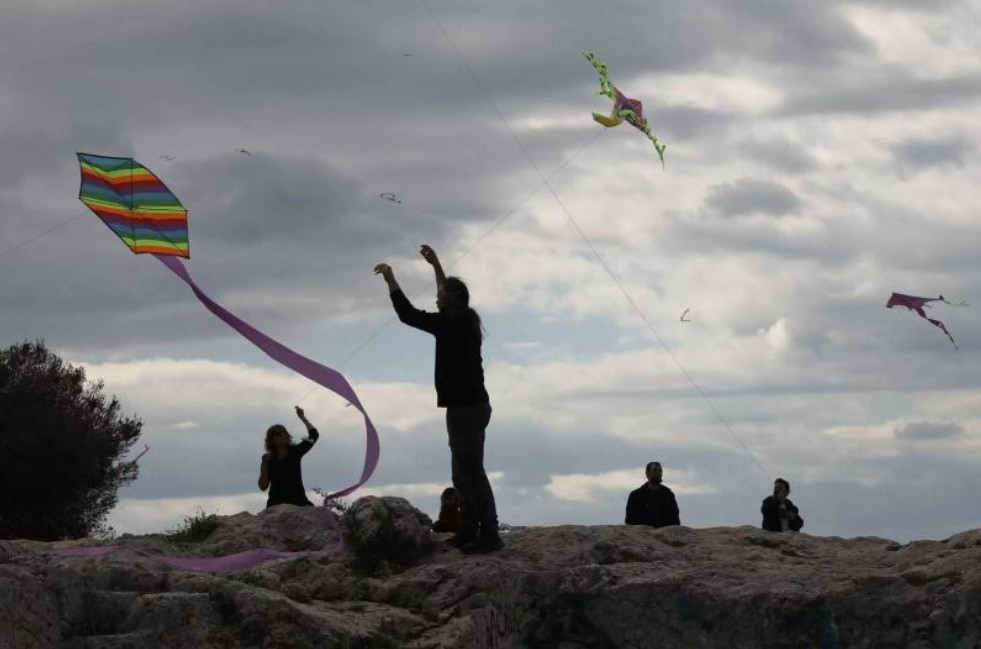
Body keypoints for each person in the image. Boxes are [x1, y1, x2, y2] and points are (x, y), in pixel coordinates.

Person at [374, 245, 502, 554]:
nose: (436, 297)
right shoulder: (466, 319)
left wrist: (391, 280)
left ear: (452, 300)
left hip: (465, 408)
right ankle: (470, 528)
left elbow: (407, 314)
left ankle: (490, 533)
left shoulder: (450, 325)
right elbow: (448, 292)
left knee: (470, 472)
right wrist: (436, 265)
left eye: (441, 295)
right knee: (462, 472)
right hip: (472, 406)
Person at [258, 406, 320, 508]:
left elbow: (314, 435)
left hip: (298, 504)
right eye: (278, 434)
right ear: (272, 440)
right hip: (276, 506)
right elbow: (263, 487)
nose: (282, 434)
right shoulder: (269, 460)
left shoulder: (295, 452)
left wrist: (302, 417)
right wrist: (264, 464)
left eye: (284, 432)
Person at [625, 461, 681, 528]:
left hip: (665, 534)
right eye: (655, 470)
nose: (658, 473)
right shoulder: (636, 495)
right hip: (642, 534)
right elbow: (630, 520)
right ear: (647, 473)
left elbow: (675, 518)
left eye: (660, 471)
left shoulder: (668, 495)